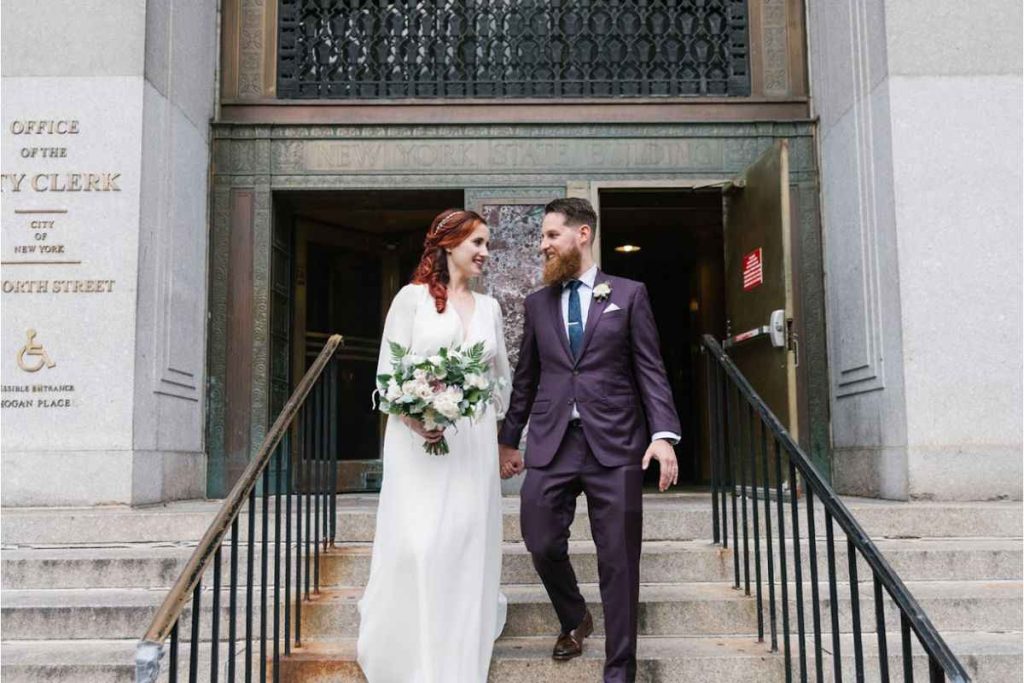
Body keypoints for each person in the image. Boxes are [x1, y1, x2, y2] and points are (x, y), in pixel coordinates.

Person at [498, 197, 682, 683]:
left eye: (551, 235)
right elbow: (526, 378)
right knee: (539, 540)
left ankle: (619, 671)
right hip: (553, 443)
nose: (543, 245)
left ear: (583, 235)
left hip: (616, 445)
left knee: (619, 562)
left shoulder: (629, 293)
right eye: (542, 236)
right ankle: (575, 614)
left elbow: (650, 370)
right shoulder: (537, 304)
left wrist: (663, 436)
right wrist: (508, 439)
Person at [357, 208, 510, 682]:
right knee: (422, 543)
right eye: (477, 243)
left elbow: (500, 379)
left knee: (464, 540)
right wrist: (417, 415)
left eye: (487, 244)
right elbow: (387, 375)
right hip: (417, 443)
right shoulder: (412, 300)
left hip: (473, 443)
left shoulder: (491, 309)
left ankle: (459, 639)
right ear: (448, 245)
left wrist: (480, 411)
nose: (485, 252)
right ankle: (411, 649)